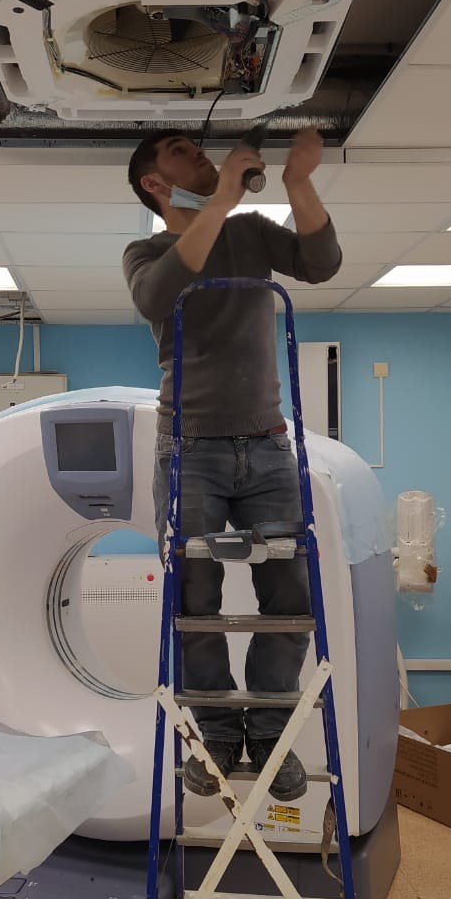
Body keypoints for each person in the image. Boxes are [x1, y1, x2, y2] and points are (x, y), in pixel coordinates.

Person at [122, 128, 342, 800]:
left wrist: (298, 184)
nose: (200, 153)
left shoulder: (250, 232)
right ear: (154, 184)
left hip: (267, 444)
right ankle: (216, 736)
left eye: (198, 146)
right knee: (195, 599)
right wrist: (219, 200)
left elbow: (322, 263)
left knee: (290, 596)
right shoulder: (146, 252)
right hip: (190, 448)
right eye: (180, 151)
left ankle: (270, 733)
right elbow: (156, 297)